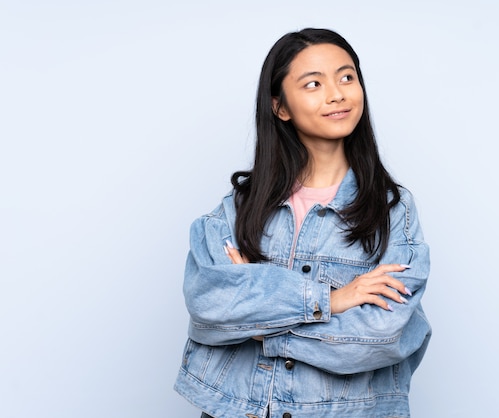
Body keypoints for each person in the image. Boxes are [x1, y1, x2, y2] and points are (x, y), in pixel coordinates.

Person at [174, 28, 431, 418]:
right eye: (314, 83)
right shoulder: (240, 207)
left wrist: (260, 324)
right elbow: (208, 305)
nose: (337, 94)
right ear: (281, 107)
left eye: (347, 77)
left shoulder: (393, 210)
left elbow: (385, 335)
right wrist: (333, 300)